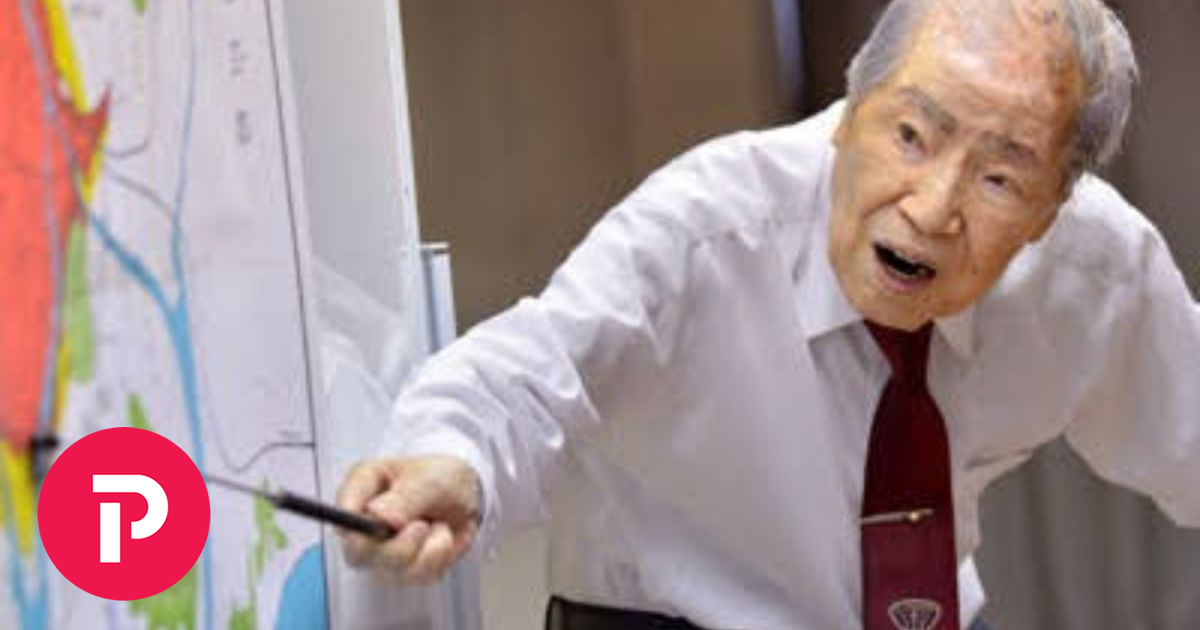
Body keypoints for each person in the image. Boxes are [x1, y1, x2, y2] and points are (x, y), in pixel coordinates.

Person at [336, 0, 1200, 627]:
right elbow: (525, 375)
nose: (934, 208)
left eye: (1001, 178)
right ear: (848, 114)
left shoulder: (1096, 272)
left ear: (1051, 208)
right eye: (911, 136)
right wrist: (453, 462)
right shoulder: (707, 228)